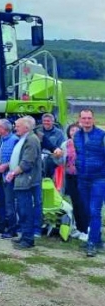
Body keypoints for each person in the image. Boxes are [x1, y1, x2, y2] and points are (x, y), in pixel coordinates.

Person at [6, 116, 42, 250]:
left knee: (26, 209)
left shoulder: (31, 140)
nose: (15, 127)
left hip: (27, 181)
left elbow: (27, 162)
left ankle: (28, 239)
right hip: (21, 180)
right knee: (22, 209)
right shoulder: (24, 138)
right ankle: (25, 236)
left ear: (26, 127)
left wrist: (13, 173)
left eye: (18, 125)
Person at [72, 109, 105, 257]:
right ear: (79, 120)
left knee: (94, 211)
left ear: (93, 119)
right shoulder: (76, 136)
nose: (86, 121)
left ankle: (92, 243)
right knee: (86, 210)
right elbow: (78, 154)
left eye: (89, 118)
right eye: (84, 118)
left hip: (99, 179)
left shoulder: (101, 136)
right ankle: (97, 238)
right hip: (82, 179)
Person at [53, 123, 88, 241]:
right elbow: (60, 162)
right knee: (75, 203)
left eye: (76, 130)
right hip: (69, 177)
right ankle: (78, 228)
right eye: (72, 130)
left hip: (83, 178)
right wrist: (57, 156)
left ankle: (85, 229)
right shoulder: (65, 144)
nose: (74, 132)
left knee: (83, 203)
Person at [0, 119, 19, 238]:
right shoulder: (1, 140)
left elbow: (18, 159)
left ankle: (12, 229)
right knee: (1, 201)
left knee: (9, 203)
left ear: (4, 129)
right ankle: (1, 225)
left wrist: (6, 165)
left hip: (9, 176)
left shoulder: (14, 140)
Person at [35, 113, 65, 179]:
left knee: (48, 162)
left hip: (53, 156)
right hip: (39, 155)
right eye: (44, 121)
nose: (46, 122)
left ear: (52, 122)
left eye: (48, 121)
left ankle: (49, 179)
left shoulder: (59, 133)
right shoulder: (37, 131)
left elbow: (61, 147)